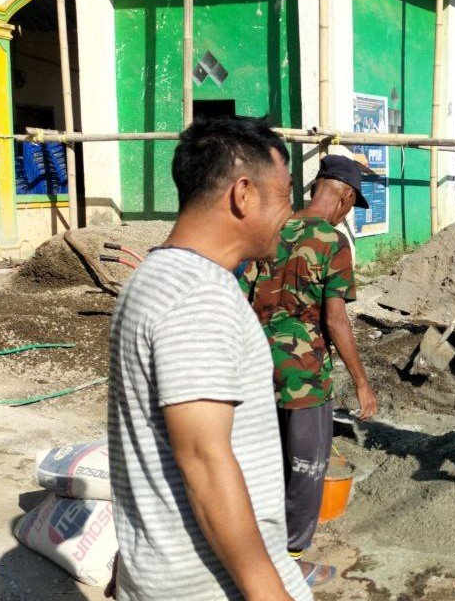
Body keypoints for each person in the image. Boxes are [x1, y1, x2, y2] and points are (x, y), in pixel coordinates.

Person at [107, 116, 310, 600]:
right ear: (243, 194)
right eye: (283, 195)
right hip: (211, 583)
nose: (291, 212)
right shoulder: (200, 295)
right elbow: (203, 456)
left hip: (171, 569)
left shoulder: (155, 277)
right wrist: (269, 592)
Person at [240, 153, 378, 584]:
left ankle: (253, 543)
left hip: (256, 364)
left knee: (261, 459)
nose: (347, 214)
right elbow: (335, 319)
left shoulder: (272, 227)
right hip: (304, 376)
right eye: (351, 207)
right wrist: (361, 383)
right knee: (306, 468)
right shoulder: (333, 242)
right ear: (345, 197)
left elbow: (241, 293)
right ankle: (290, 559)